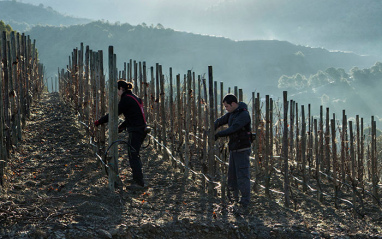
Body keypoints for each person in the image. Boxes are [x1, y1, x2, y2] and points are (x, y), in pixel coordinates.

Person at [94, 80, 147, 187]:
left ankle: (139, 182)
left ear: (121, 89)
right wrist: (122, 127)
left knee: (133, 155)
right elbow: (132, 116)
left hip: (136, 130)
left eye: (117, 90)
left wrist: (99, 121)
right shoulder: (134, 97)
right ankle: (137, 179)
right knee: (134, 154)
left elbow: (114, 114)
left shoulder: (126, 99)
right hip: (141, 128)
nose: (116, 93)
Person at [214, 94, 252, 209]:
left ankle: (245, 202)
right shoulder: (233, 113)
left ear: (233, 104)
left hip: (242, 149)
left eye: (227, 106)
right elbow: (221, 121)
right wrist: (212, 128)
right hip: (234, 149)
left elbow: (233, 128)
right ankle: (234, 199)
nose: (226, 109)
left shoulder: (244, 115)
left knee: (242, 175)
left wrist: (219, 134)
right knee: (232, 176)